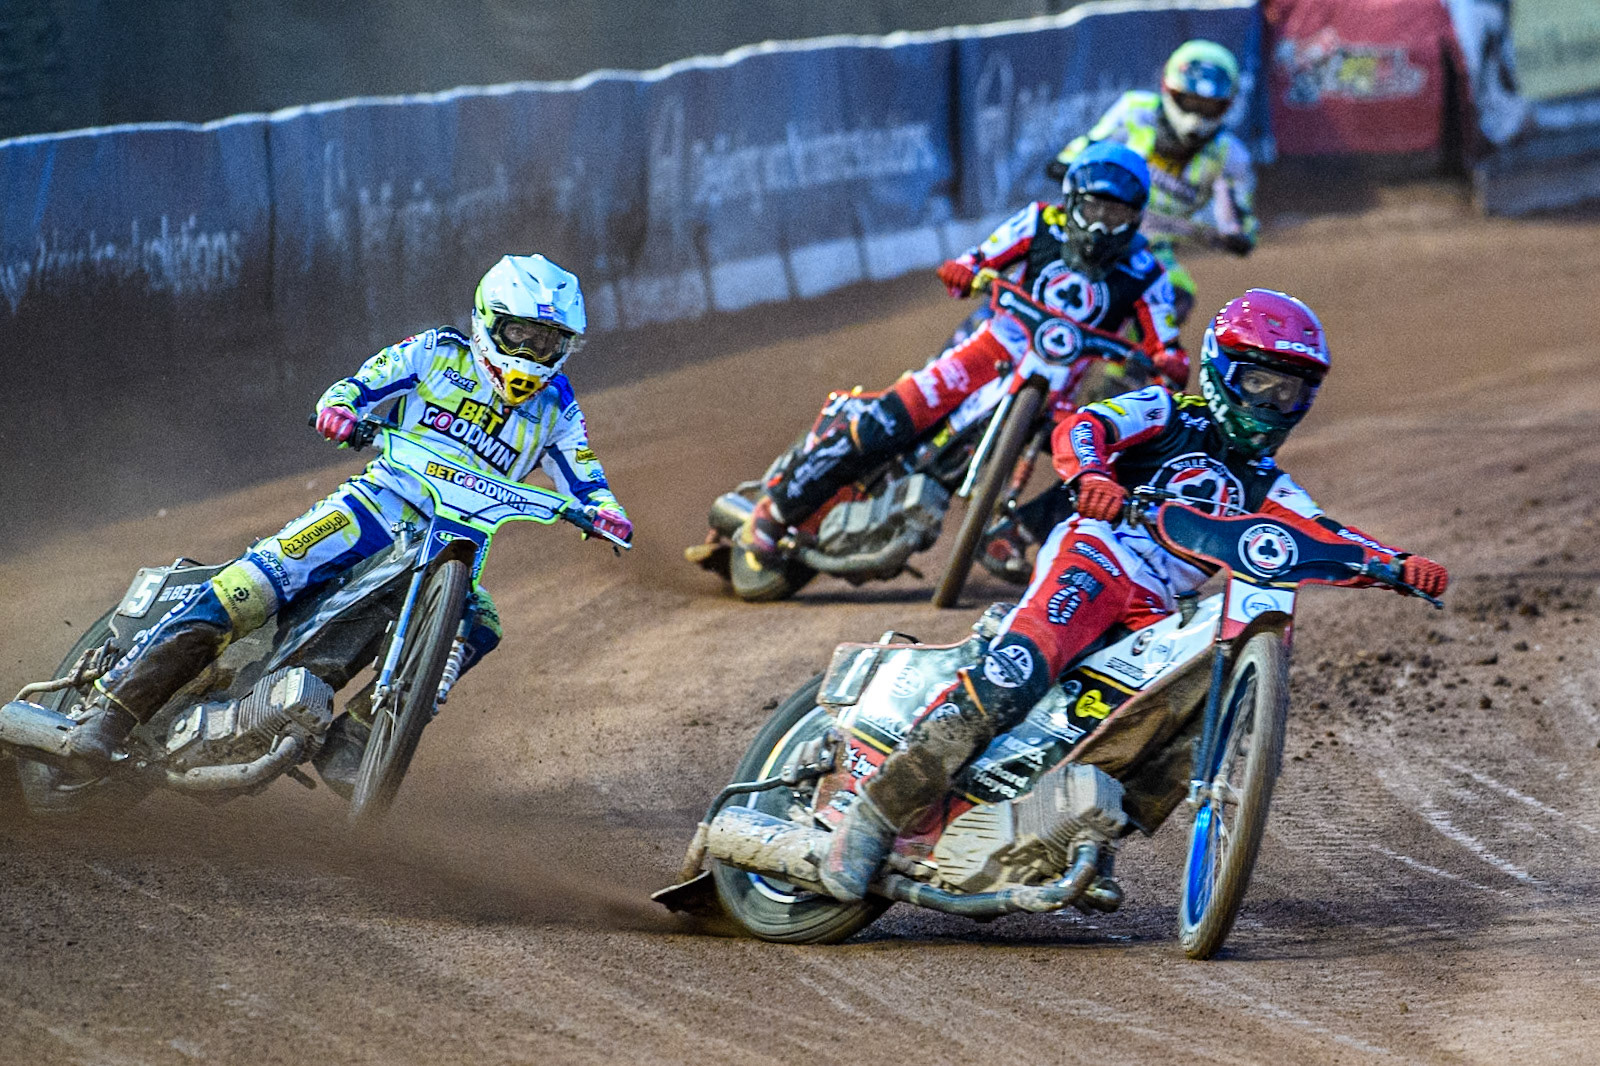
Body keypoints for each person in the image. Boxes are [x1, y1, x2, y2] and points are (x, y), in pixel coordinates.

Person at [814, 289, 1449, 903]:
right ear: (1222, 369)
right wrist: (1091, 474)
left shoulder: (1269, 483)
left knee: (1180, 706)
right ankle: (873, 816)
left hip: (1154, 608)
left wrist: (1394, 564)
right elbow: (1086, 425)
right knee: (1021, 668)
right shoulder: (1169, 411)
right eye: (1259, 381)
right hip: (1095, 557)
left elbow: (1323, 535)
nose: (1273, 401)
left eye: (1289, 390)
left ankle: (1081, 831)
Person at [65, 254, 632, 793]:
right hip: (373, 508)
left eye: (550, 342)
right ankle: (111, 715)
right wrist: (342, 409)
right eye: (523, 336)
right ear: (490, 321)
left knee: (478, 622)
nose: (534, 353)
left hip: (453, 545)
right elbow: (358, 387)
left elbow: (583, 474)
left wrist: (606, 513)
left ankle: (355, 737)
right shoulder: (437, 352)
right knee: (251, 587)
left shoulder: (559, 406)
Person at [741, 142, 1188, 577]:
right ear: (1070, 201)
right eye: (1093, 209)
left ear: (1135, 219)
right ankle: (777, 507)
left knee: (1108, 462)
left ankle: (1017, 531)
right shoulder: (1038, 222)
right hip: (990, 349)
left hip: (1060, 394)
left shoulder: (1148, 272)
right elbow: (976, 259)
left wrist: (1168, 361)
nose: (1101, 225)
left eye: (1116, 215)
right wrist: (965, 270)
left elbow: (1165, 342)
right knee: (894, 415)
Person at [1047, 39, 1258, 326]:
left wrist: (1233, 232)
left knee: (1175, 298)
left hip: (1150, 246)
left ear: (1226, 106)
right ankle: (987, 326)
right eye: (1190, 101)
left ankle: (1127, 370)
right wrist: (1074, 166)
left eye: (1209, 107)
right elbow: (1080, 152)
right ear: (1169, 90)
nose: (1196, 115)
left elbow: (1243, 229)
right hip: (1090, 227)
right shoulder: (1136, 111)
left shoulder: (1229, 156)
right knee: (1040, 264)